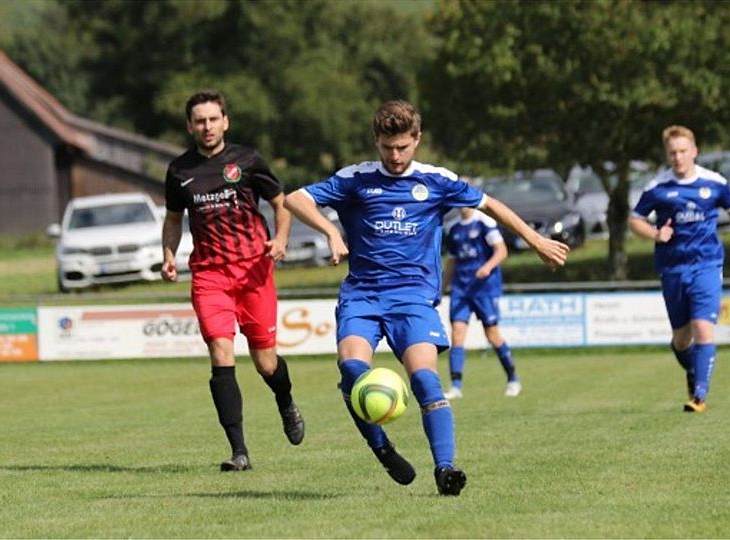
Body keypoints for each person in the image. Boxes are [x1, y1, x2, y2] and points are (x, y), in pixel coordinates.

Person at [284, 100, 568, 496]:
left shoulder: (436, 181)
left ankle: (446, 468)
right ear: (376, 141)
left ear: (417, 139)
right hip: (363, 295)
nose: (395, 156)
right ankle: (381, 447)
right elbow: (294, 198)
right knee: (352, 372)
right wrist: (330, 232)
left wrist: (535, 240)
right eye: (387, 147)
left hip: (413, 299)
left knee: (425, 379)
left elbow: (492, 205)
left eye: (402, 146)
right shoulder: (356, 179)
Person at [161, 90, 304, 472]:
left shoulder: (248, 160)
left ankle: (285, 401)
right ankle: (239, 451)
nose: (207, 127)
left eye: (213, 119)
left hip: (254, 271)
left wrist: (282, 238)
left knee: (265, 363)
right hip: (209, 275)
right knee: (221, 355)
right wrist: (170, 255)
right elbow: (174, 219)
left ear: (225, 121)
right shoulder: (178, 171)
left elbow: (281, 201)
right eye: (199, 121)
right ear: (190, 126)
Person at [629, 125, 730, 413]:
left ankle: (699, 395)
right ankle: (693, 371)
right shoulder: (657, 188)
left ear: (694, 151)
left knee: (703, 328)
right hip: (673, 268)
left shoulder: (714, 183)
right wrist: (654, 234)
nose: (678, 157)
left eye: (683, 151)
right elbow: (635, 219)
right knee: (681, 339)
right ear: (667, 155)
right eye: (672, 153)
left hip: (707, 264)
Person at [440, 207, 520, 399]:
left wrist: (487, 267)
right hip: (461, 289)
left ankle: (513, 379)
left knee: (492, 335)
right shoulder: (453, 228)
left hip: (484, 288)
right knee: (457, 335)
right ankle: (456, 386)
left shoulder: (485, 222)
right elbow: (452, 261)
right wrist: (442, 288)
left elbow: (501, 251)